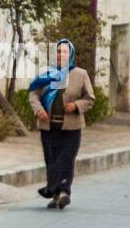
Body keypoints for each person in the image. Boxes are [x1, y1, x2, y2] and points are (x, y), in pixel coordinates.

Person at [29, 38, 93, 210]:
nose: (61, 55)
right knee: (51, 160)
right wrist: (39, 109)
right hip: (48, 126)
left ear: (70, 54)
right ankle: (55, 195)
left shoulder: (80, 74)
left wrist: (75, 106)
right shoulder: (45, 73)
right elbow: (33, 94)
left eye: (64, 51)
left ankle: (62, 191)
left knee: (65, 159)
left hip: (71, 127)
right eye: (58, 51)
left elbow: (89, 99)